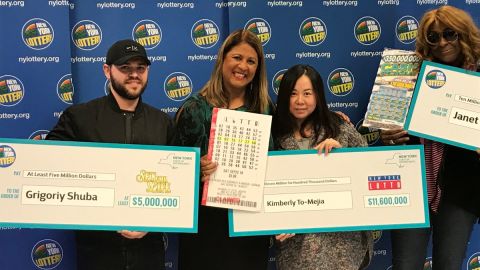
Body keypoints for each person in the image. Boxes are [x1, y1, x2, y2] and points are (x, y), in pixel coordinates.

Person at [47, 39, 175, 270]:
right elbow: (52, 171)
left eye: (140, 68)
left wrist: (153, 220)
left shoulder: (163, 122)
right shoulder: (79, 117)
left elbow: (178, 183)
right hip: (98, 250)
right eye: (125, 68)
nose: (134, 74)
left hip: (149, 251)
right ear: (107, 70)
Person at [381, 5, 480, 270]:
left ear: (464, 34)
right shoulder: (404, 73)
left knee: (449, 264)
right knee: (405, 265)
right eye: (434, 37)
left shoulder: (479, 76)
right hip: (411, 184)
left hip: (461, 189)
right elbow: (384, 131)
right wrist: (387, 135)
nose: (442, 42)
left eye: (449, 34)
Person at [174, 29, 273, 270]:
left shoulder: (265, 109)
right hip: (205, 228)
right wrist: (195, 168)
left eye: (251, 61)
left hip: (249, 226)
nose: (243, 66)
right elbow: (173, 169)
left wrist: (333, 118)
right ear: (223, 60)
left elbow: (288, 145)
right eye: (237, 57)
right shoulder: (194, 108)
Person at [272, 64, 373, 270]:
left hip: (343, 247)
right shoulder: (273, 137)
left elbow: (370, 169)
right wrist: (274, 221)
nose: (300, 101)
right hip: (296, 250)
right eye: (293, 94)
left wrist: (344, 156)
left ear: (318, 95)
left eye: (307, 93)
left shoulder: (340, 128)